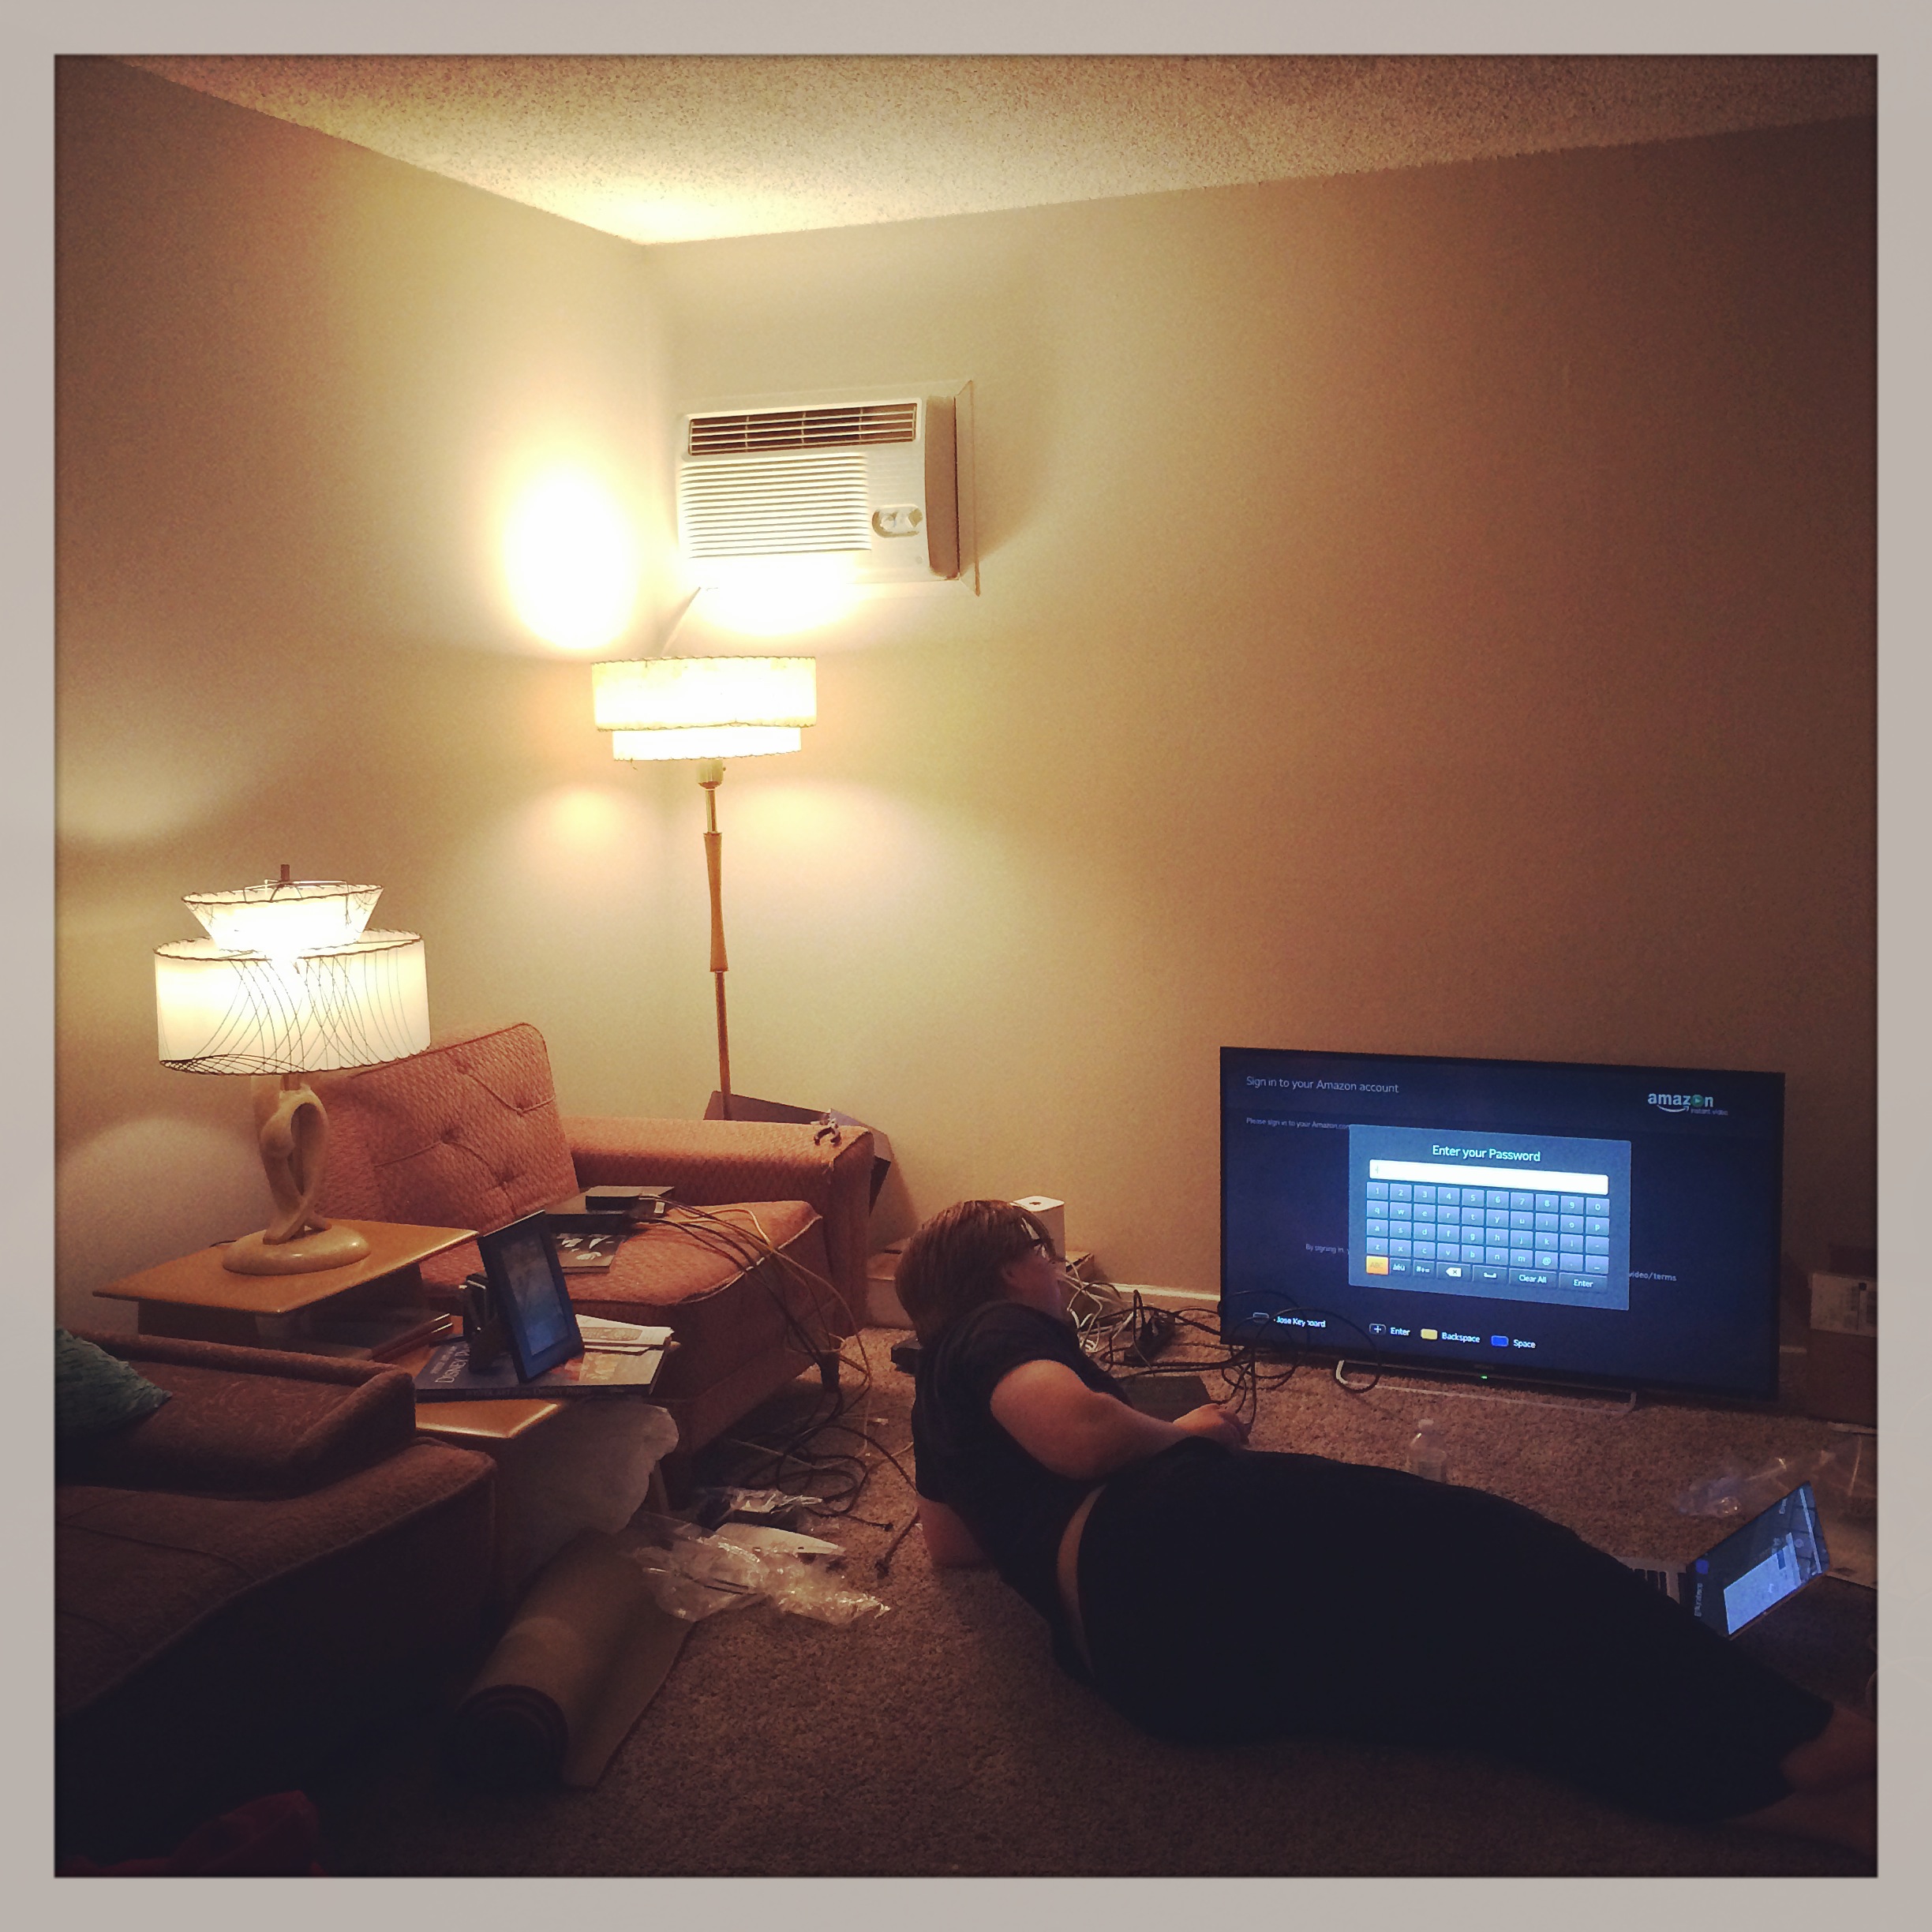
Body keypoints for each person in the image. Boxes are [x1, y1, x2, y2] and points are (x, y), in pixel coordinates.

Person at [898, 1199, 1876, 1856]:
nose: (1057, 1276)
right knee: (1509, 1556)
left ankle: (1803, 1807)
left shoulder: (931, 1395)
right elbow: (1076, 1435)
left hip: (1150, 1678)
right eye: (1046, 1259)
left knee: (1481, 1684)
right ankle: (1814, 1738)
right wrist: (1185, 1431)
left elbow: (952, 1547)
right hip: (1164, 1550)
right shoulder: (996, 1327)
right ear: (1010, 1267)